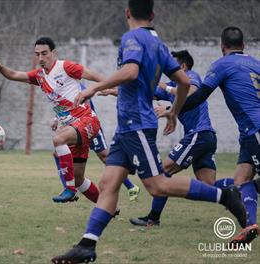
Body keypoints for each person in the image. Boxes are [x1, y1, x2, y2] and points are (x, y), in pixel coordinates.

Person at [51, 1, 246, 263]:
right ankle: (88, 244)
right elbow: (184, 82)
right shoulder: (158, 43)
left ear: (127, 13)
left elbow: (130, 72)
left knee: (158, 185)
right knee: (109, 183)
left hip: (137, 124)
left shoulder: (132, 37)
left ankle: (226, 196)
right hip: (127, 128)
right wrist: (174, 111)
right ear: (153, 15)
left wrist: (92, 89)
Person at [0, 37, 104, 204]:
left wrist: (107, 87)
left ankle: (69, 190)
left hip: (87, 120)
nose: (40, 58)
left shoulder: (66, 67)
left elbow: (96, 76)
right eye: (37, 54)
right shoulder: (40, 76)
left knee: (58, 139)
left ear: (53, 53)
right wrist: (0, 68)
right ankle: (108, 207)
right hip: (73, 128)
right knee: (78, 179)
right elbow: (14, 75)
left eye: (44, 53)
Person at [178, 26, 260, 245]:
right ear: (244, 46)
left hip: (255, 130)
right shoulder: (256, 63)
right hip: (248, 133)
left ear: (222, 47)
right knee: (241, 181)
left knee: (246, 182)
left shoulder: (222, 64)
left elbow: (200, 95)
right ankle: (250, 225)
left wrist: (174, 109)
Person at [129, 50, 218, 227]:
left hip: (198, 134)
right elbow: (144, 93)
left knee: (164, 172)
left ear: (183, 66)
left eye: (172, 67)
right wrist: (113, 90)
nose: (168, 70)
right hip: (205, 137)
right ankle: (243, 188)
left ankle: (153, 218)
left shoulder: (191, 76)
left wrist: (166, 94)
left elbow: (191, 92)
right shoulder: (172, 84)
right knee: (209, 184)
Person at [52, 88, 141, 201]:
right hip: (75, 129)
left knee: (105, 157)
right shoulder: (58, 87)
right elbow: (62, 105)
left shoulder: (76, 86)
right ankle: (68, 187)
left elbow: (82, 103)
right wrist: (57, 118)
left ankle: (131, 184)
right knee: (57, 153)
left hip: (88, 127)